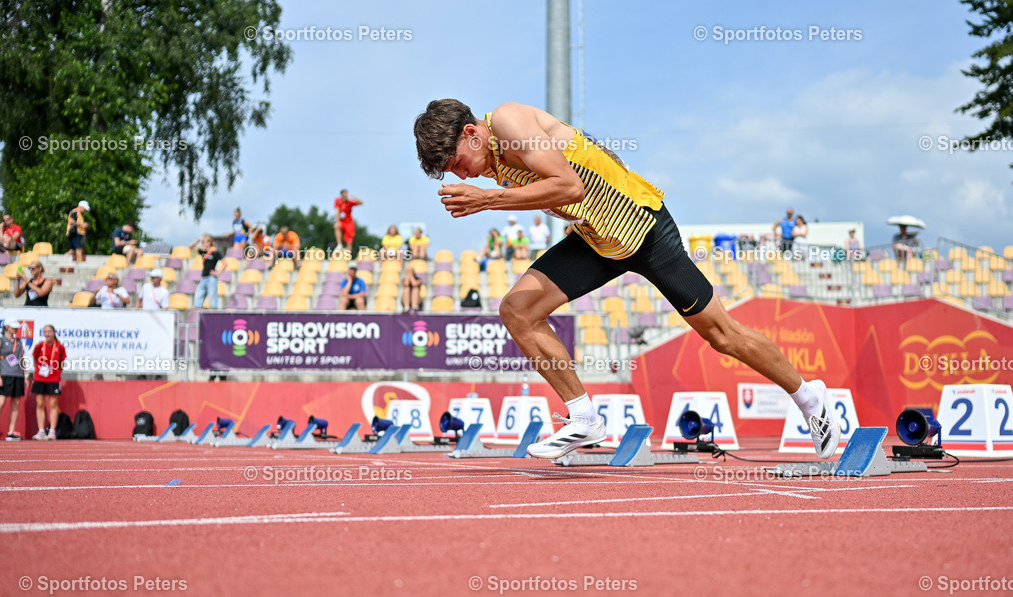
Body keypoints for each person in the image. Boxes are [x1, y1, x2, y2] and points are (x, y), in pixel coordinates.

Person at [415, 99, 840, 459]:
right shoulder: (494, 164)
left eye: (457, 163)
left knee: (723, 336)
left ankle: (809, 397)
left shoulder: (509, 122)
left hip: (644, 230)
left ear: (471, 133)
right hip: (597, 240)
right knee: (517, 310)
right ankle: (583, 417)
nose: (461, 175)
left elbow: (569, 186)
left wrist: (489, 200)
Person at [0, 318, 25, 440]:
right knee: (0, 402)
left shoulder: (18, 342)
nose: (15, 329)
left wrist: (25, 375)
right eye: (13, 327)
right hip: (4, 375)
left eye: (16, 327)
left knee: (16, 404)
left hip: (18, 375)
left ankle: (11, 431)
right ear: (7, 327)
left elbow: (22, 359)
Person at [29, 324, 65, 441]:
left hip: (53, 379)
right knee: (40, 403)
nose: (47, 334)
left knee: (53, 404)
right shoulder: (39, 346)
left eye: (49, 331)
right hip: (40, 378)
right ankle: (41, 431)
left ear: (54, 333)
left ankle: (52, 431)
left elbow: (62, 363)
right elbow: (35, 359)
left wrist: (56, 373)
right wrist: (39, 370)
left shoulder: (59, 347)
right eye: (45, 332)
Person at [188, 234, 224, 308]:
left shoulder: (215, 253)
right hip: (204, 277)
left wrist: (218, 273)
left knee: (212, 299)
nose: (204, 243)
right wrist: (198, 240)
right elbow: (190, 247)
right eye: (203, 242)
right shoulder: (203, 252)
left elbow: (225, 263)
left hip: (211, 278)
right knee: (198, 298)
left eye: (206, 242)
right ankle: (198, 311)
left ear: (210, 242)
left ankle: (213, 313)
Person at [333, 189, 363, 253]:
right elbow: (337, 211)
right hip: (342, 222)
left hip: (349, 223)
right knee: (337, 225)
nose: (345, 197)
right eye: (343, 195)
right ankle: (339, 244)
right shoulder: (338, 200)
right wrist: (338, 220)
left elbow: (361, 202)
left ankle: (348, 253)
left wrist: (352, 196)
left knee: (349, 239)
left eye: (346, 195)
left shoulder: (350, 202)